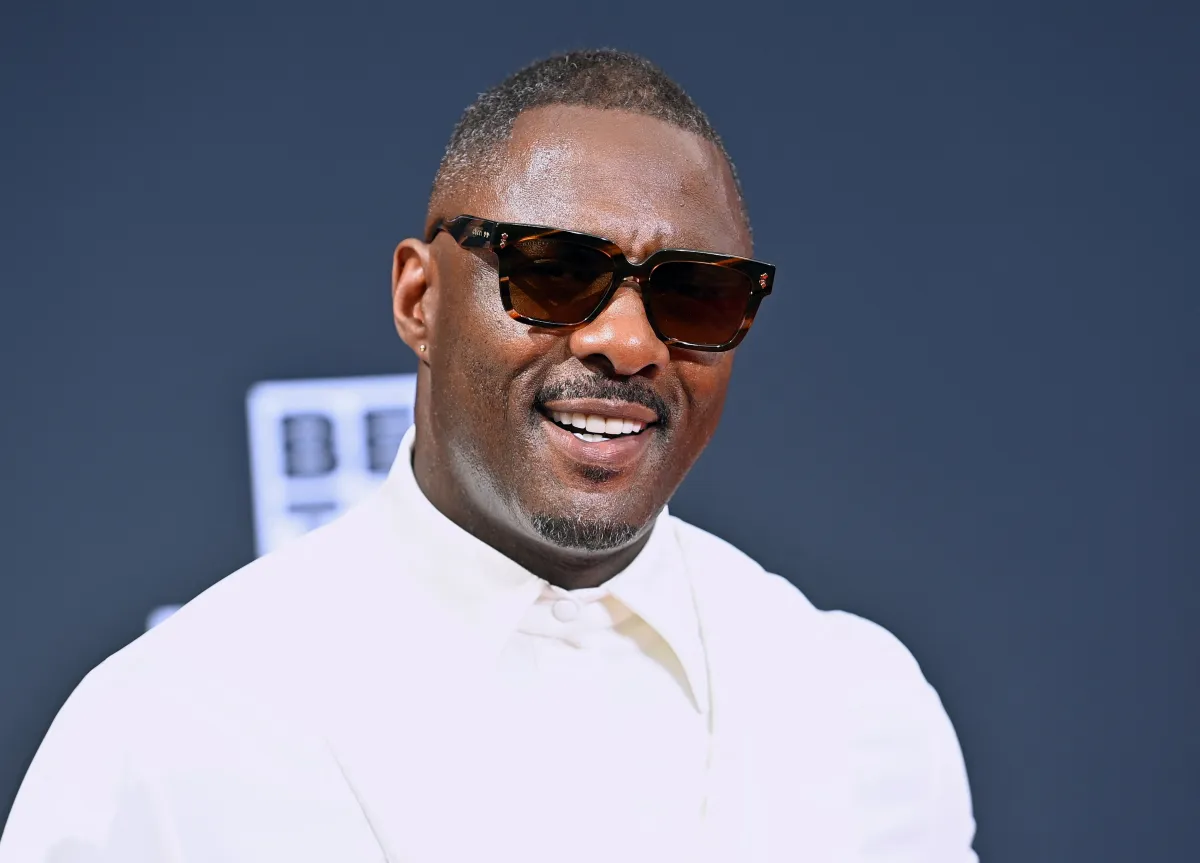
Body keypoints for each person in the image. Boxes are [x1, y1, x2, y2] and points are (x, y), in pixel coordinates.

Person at [0, 50, 977, 862]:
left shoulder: (859, 705)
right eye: (554, 271)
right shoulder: (164, 734)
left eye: (694, 293)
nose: (628, 342)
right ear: (419, 300)